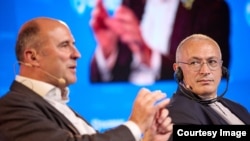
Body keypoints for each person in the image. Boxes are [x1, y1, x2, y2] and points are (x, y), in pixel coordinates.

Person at [0, 17, 173, 141]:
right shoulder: (10, 108)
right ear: (32, 57)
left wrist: (149, 139)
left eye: (74, 44)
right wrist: (135, 125)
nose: (77, 54)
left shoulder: (57, 106)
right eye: (64, 45)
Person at [90, 0, 231, 85]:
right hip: (124, 110)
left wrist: (148, 55)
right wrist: (107, 50)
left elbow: (214, 73)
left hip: (179, 110)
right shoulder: (131, 3)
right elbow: (98, 81)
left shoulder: (210, 8)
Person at [167, 34, 250, 139]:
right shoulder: (177, 111)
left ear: (221, 69)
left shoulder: (238, 108)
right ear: (178, 70)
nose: (205, 71)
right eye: (194, 63)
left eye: (212, 62)